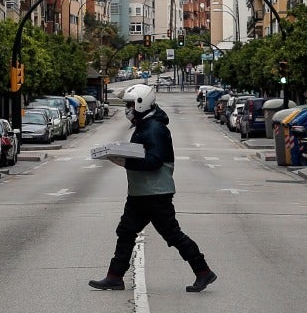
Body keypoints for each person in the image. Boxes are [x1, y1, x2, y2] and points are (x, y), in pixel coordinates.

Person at [89, 82, 217, 293]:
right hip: (141, 192)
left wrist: (123, 160)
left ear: (141, 103)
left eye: (130, 104)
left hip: (155, 194)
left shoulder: (155, 129)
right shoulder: (145, 125)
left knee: (172, 234)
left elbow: (154, 162)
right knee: (126, 231)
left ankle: (203, 271)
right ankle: (114, 276)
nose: (127, 109)